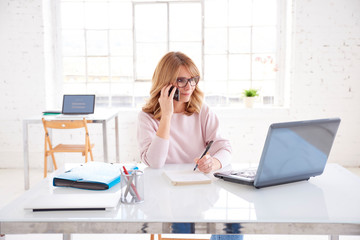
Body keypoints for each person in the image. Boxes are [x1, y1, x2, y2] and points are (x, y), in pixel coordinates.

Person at [137, 51, 243, 240]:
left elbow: (225, 148)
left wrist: (214, 163)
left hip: (199, 191)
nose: (190, 87)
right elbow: (155, 162)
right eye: (182, 81)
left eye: (193, 79)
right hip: (164, 197)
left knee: (233, 228)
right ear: (165, 83)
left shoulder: (202, 111)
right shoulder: (147, 118)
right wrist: (167, 115)